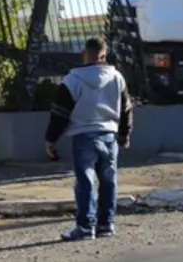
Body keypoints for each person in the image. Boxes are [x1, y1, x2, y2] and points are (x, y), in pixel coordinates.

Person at [46, 38, 134, 241]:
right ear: (104, 55)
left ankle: (86, 227)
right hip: (110, 135)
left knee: (85, 181)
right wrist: (124, 135)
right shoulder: (117, 77)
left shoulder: (72, 80)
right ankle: (106, 224)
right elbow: (126, 108)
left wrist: (50, 140)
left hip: (83, 136)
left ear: (85, 54)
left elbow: (60, 113)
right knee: (109, 180)